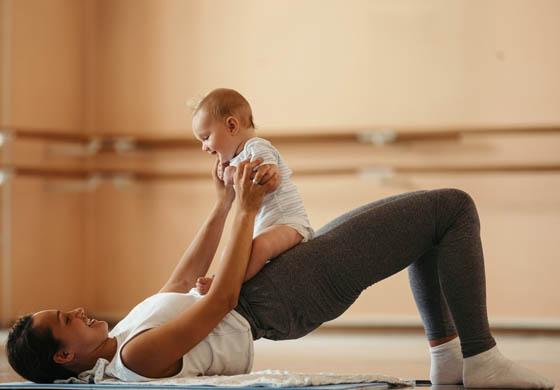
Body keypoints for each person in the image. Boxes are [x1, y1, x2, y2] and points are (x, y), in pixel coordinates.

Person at [6, 158, 554, 388]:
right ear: (64, 356)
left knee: (431, 225)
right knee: (452, 208)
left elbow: (176, 283)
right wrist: (248, 209)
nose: (77, 310)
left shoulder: (119, 340)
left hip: (269, 284)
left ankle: (451, 361)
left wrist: (222, 203)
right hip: (280, 298)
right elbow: (216, 303)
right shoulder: (133, 359)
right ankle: (479, 358)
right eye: (65, 318)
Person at [191, 88, 314, 294]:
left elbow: (270, 180)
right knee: (234, 253)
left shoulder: (256, 148)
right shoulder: (238, 158)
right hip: (267, 226)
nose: (204, 147)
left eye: (206, 137)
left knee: (259, 247)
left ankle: (224, 284)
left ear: (231, 125)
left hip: (289, 224)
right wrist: (228, 174)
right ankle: (223, 277)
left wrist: (232, 175)